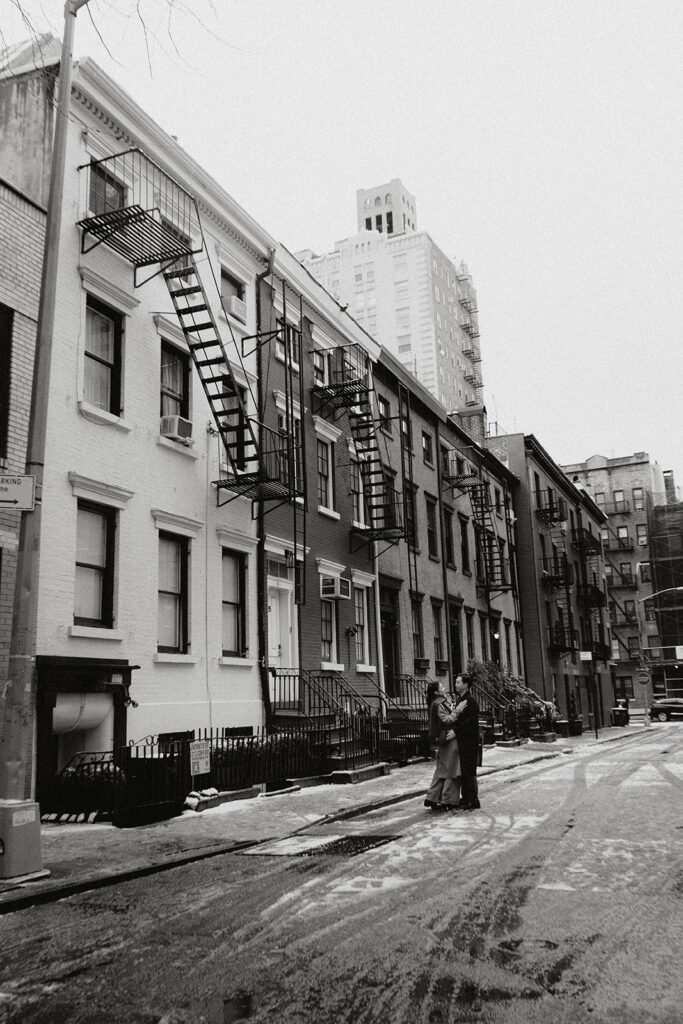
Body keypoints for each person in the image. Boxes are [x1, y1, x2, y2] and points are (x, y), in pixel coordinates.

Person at [424, 680, 461, 811]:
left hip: (442, 739)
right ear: (436, 691)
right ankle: (448, 800)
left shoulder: (435, 703)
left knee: (442, 768)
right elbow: (445, 720)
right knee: (453, 769)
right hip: (448, 738)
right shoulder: (440, 703)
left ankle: (432, 797)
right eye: (441, 687)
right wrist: (457, 711)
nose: (444, 688)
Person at [453, 672, 481, 810]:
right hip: (462, 740)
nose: (455, 684)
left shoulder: (471, 701)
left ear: (465, 684)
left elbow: (469, 722)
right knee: (463, 769)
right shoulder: (460, 700)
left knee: (469, 770)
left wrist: (456, 731)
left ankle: (473, 799)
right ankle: (466, 798)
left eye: (458, 682)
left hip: (469, 741)